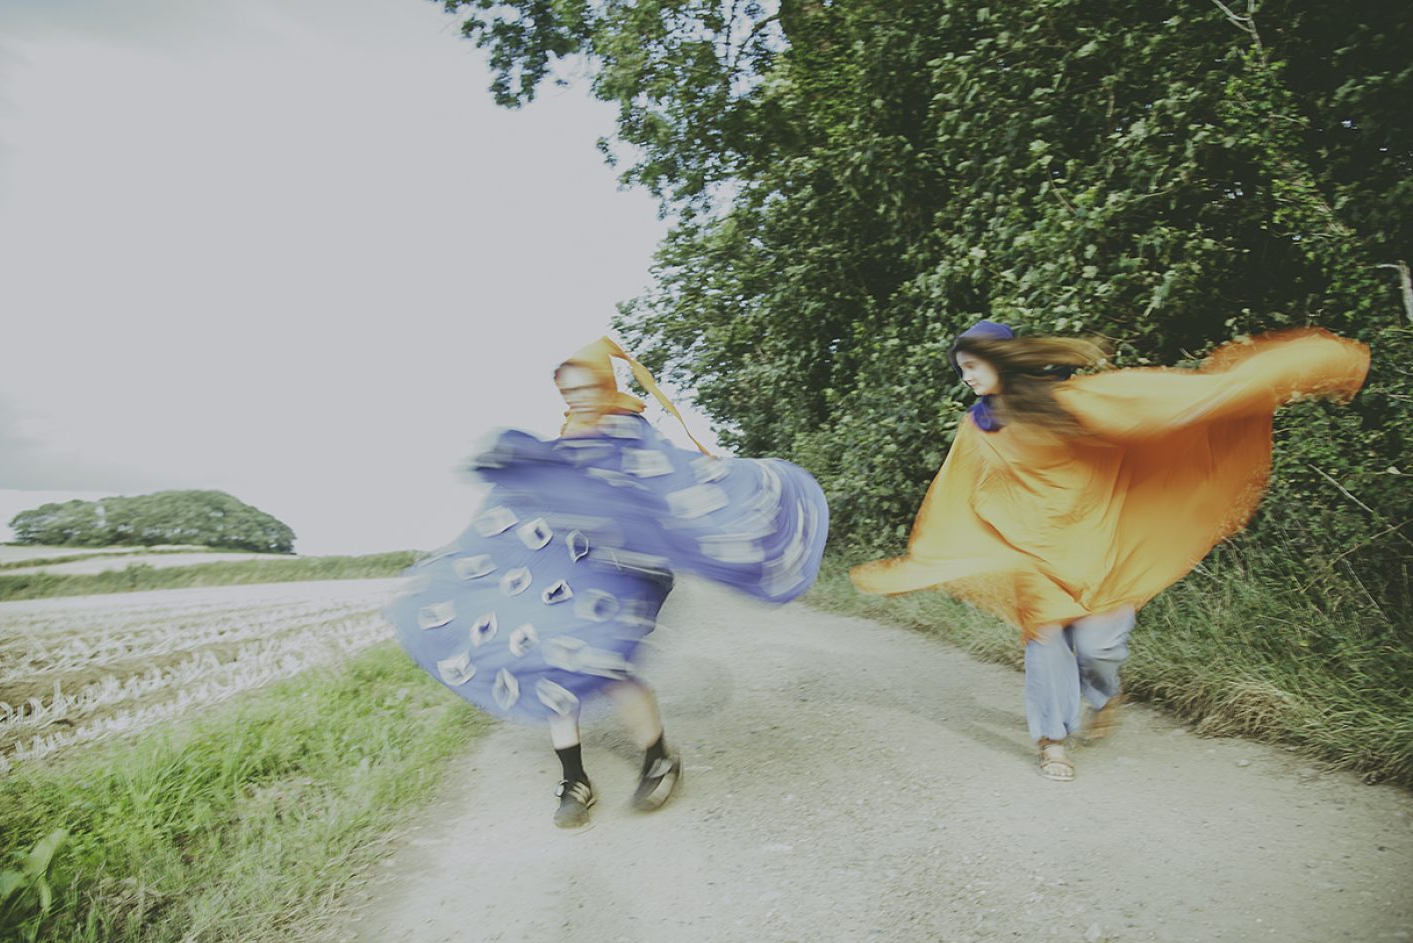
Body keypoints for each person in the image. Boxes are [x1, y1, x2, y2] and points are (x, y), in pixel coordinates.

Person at [850, 321, 1370, 780]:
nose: (966, 376)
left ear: (1002, 360)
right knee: (1047, 639)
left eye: (972, 364)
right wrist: (936, 559)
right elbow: (955, 492)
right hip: (1031, 556)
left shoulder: (1071, 400)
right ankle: (1052, 740)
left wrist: (1255, 385)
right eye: (960, 368)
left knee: (1099, 647)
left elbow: (1154, 407)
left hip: (1097, 544)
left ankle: (1103, 693)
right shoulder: (976, 425)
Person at [387, 336, 828, 825]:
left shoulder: (632, 438)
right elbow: (532, 500)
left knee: (609, 669)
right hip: (564, 578)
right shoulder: (565, 443)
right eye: (566, 391)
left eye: (583, 387)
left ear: (603, 384)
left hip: (618, 579)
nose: (575, 397)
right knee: (551, 663)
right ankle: (573, 779)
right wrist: (515, 464)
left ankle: (660, 758)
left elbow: (670, 490)